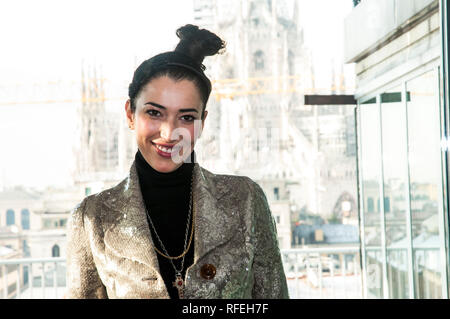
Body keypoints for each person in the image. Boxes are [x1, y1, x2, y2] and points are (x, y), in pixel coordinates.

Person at [66, 24, 289, 299]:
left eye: (186, 117)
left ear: (202, 122)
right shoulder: (91, 219)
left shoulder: (245, 200)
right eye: (154, 113)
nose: (170, 134)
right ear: (130, 114)